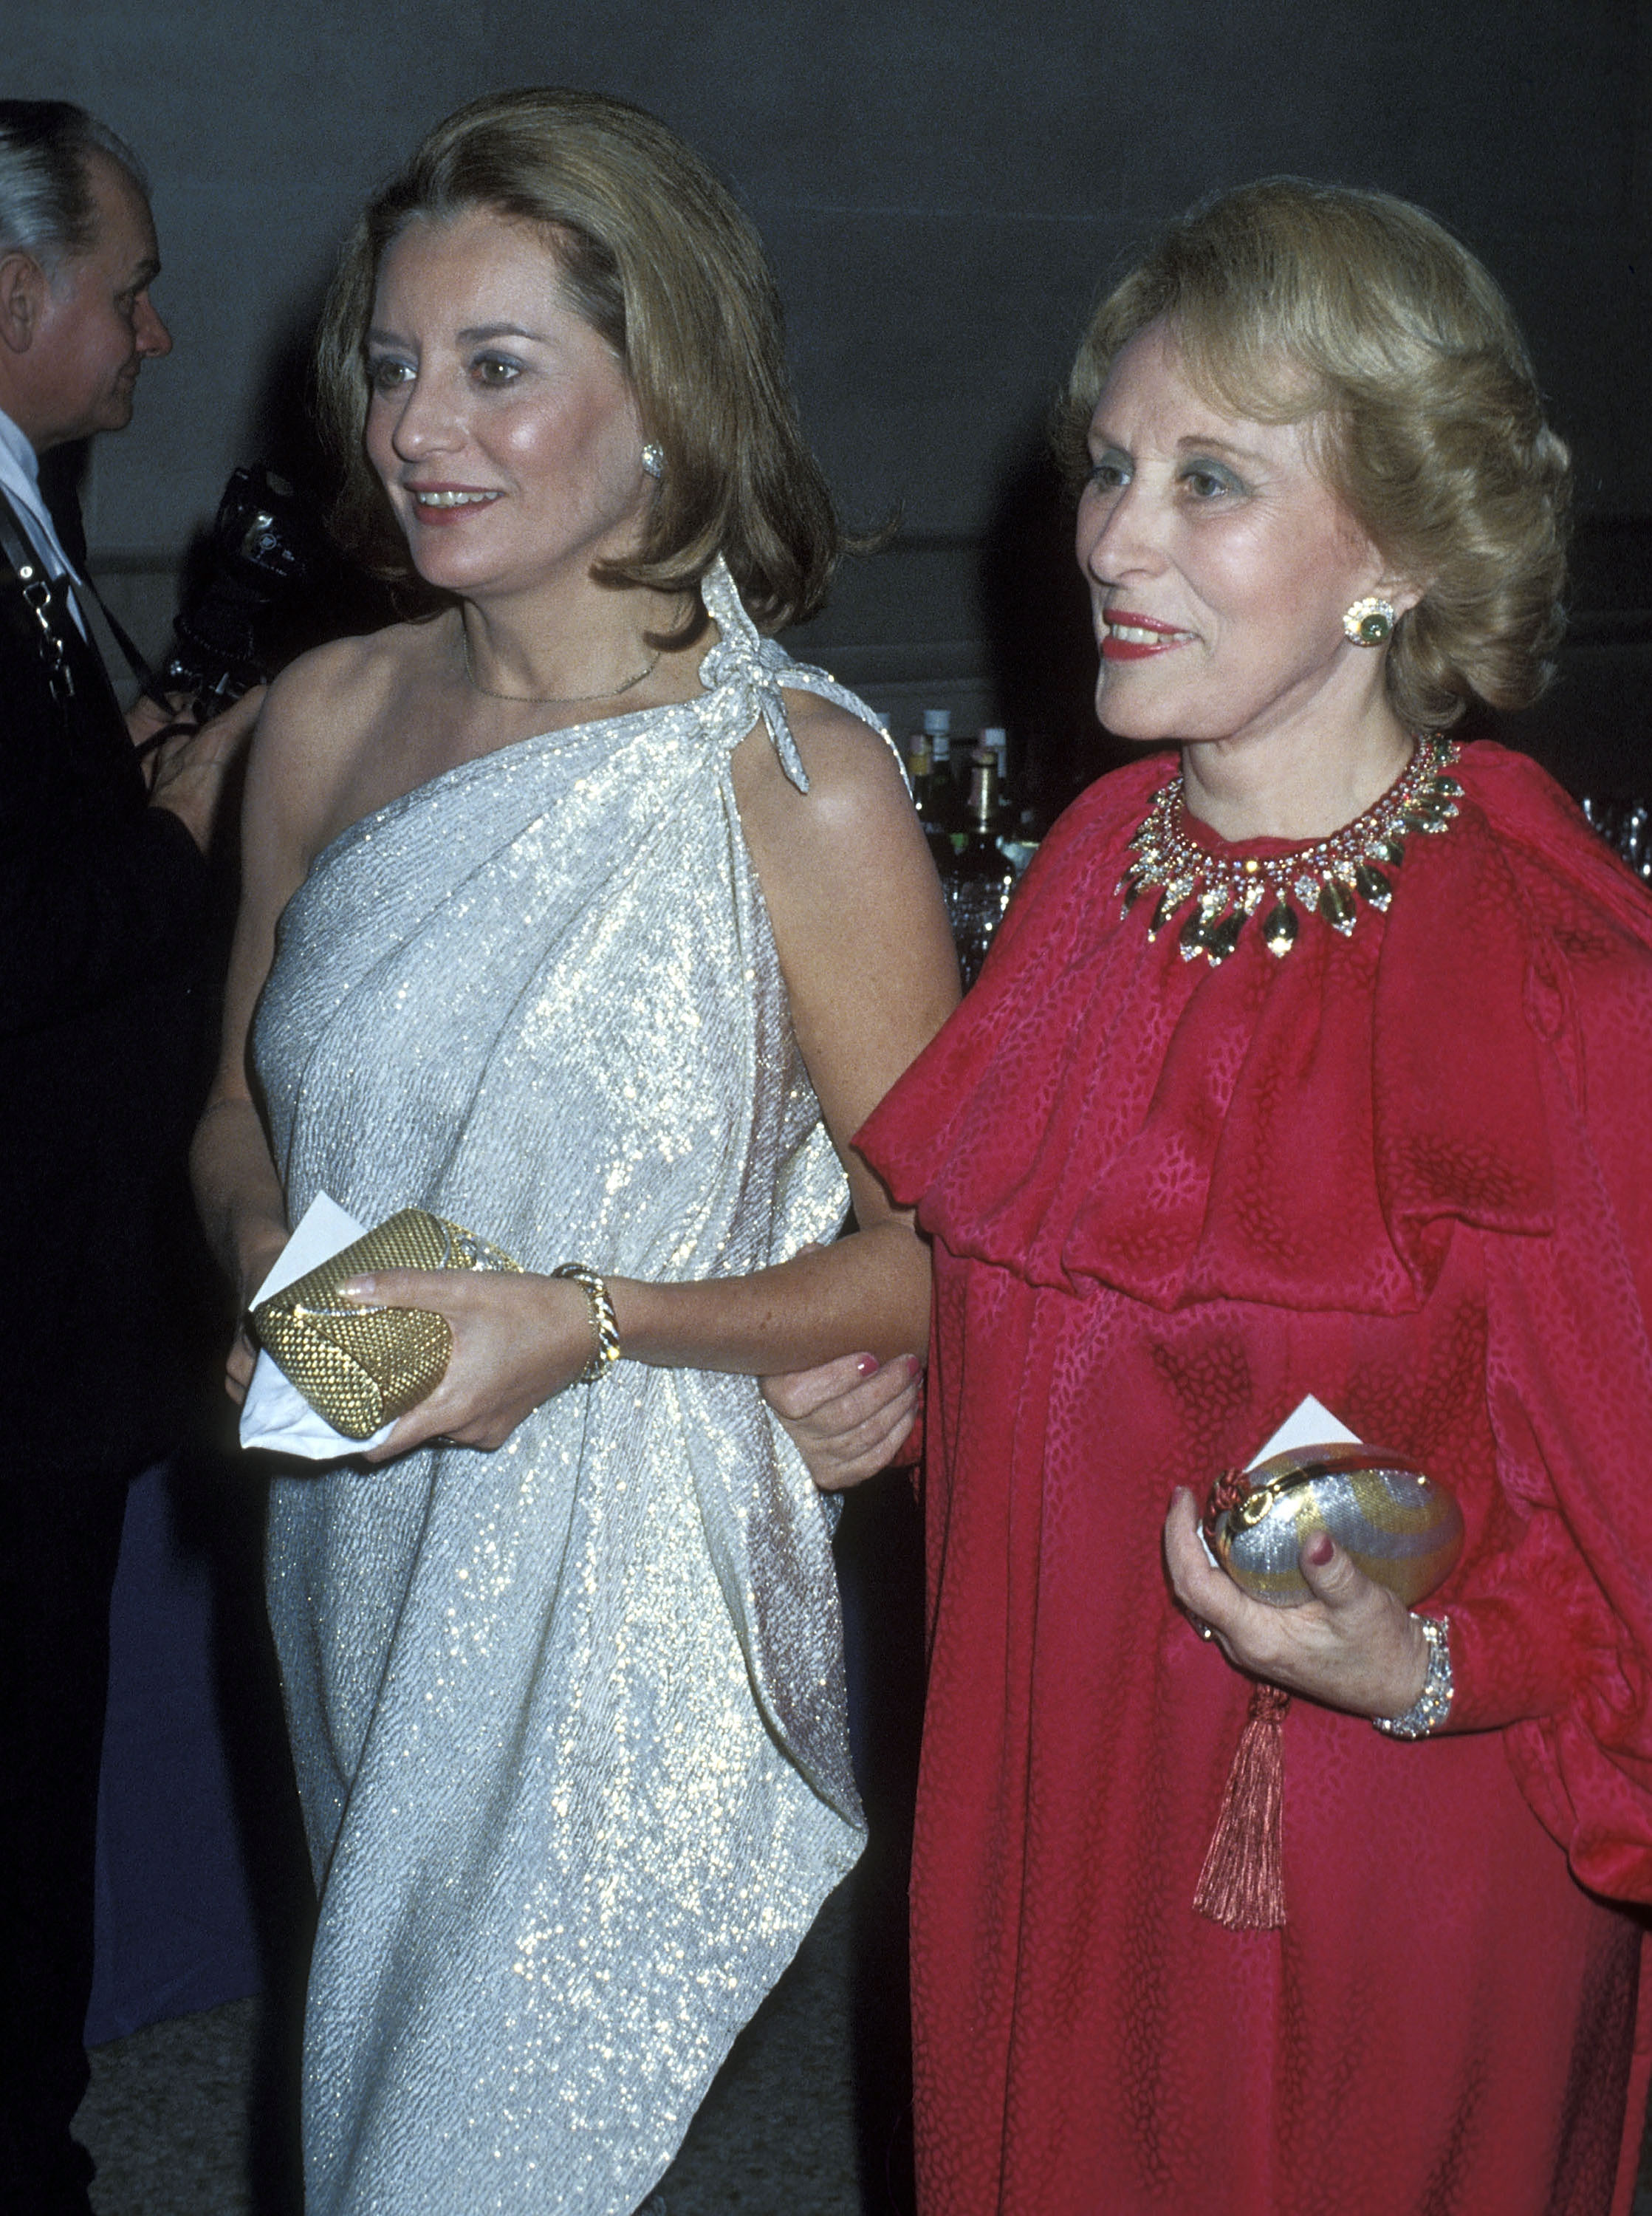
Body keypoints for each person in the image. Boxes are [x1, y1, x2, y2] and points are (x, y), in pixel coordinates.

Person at [770, 179, 1652, 2215]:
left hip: (1379, 1848)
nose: (1110, 540)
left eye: (1209, 483)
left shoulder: (1559, 980)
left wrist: (1426, 1666)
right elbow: (1076, 1331)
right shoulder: (1093, 876)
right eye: (1109, 470)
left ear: (1403, 552)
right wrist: (906, 1395)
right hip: (1044, 1792)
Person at [190, 87, 954, 2216]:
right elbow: (238, 1109)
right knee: (373, 2106)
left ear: (667, 395)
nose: (426, 425)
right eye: (396, 364)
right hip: (363, 1536)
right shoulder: (328, 721)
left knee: (459, 2163)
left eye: (500, 368)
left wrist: (592, 1324)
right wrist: (273, 1274)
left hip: (636, 1590)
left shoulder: (795, 782)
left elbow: (950, 1253)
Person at [0, 99, 259, 2215]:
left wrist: (126, 776)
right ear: (13, 295)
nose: (157, 335)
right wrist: (181, 834)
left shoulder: (25, 508)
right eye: (133, 285)